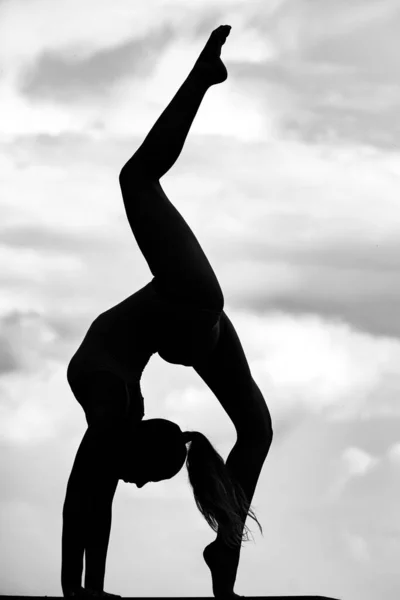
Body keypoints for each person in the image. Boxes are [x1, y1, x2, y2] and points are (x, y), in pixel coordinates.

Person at [61, 25, 273, 599]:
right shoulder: (115, 405)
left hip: (188, 314)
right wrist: (82, 592)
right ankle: (202, 79)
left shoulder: (111, 408)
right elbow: (89, 496)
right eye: (139, 476)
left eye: (136, 476)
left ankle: (224, 555)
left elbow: (83, 500)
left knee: (257, 428)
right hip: (190, 312)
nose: (127, 482)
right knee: (137, 179)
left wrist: (76, 592)